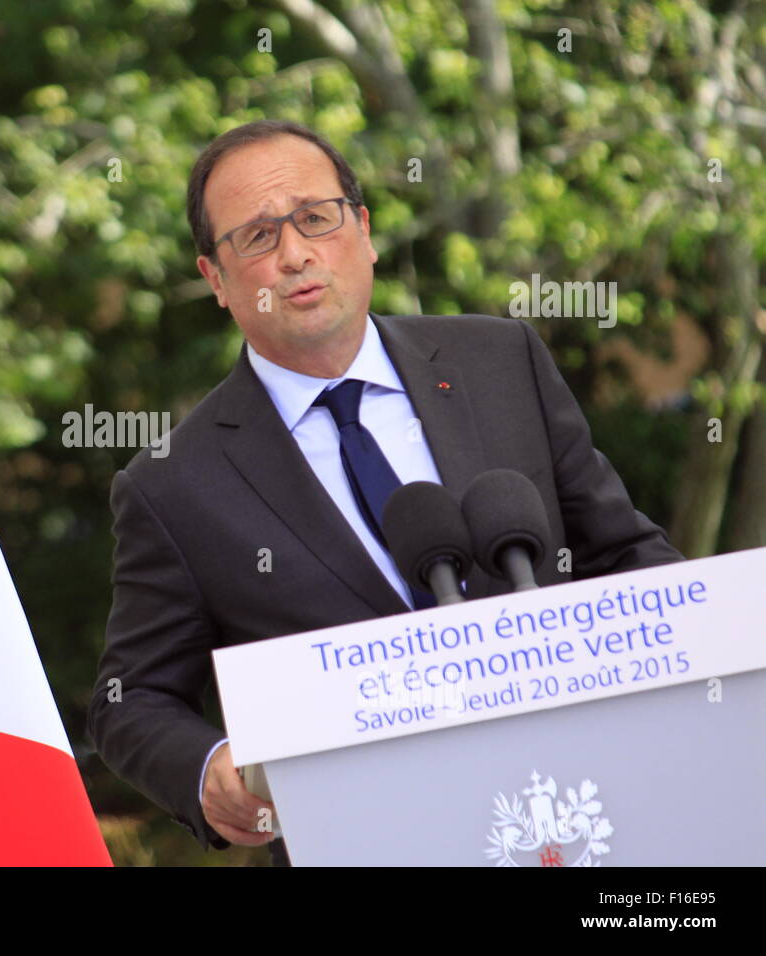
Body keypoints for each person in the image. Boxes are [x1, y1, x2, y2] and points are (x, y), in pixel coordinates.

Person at [86, 120, 684, 867]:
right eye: (258, 237)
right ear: (215, 277)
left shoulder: (501, 363)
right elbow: (129, 700)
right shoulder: (173, 484)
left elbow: (627, 555)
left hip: (585, 820)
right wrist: (208, 770)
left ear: (363, 231)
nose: (296, 254)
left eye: (315, 218)